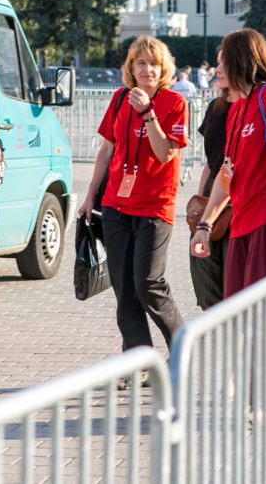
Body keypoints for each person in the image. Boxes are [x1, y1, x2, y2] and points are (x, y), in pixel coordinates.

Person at [79, 36, 187, 377]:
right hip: (116, 207)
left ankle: (183, 349)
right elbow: (107, 149)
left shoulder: (174, 102)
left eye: (153, 64)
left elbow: (165, 152)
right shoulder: (118, 98)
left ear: (163, 68)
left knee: (148, 284)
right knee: (125, 293)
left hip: (155, 206)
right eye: (140, 63)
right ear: (131, 68)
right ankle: (141, 364)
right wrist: (90, 194)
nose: (147, 69)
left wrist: (147, 113)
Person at [190, 28, 266, 296]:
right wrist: (205, 225)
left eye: (224, 62)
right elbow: (227, 174)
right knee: (243, 318)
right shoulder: (235, 108)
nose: (217, 69)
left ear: (242, 62)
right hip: (241, 228)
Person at [188, 72, 231, 310]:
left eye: (226, 63)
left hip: (241, 193)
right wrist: (202, 200)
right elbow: (210, 160)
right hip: (214, 187)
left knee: (234, 278)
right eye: (218, 64)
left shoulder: (255, 107)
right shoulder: (216, 106)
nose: (219, 70)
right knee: (204, 270)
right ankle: (215, 326)